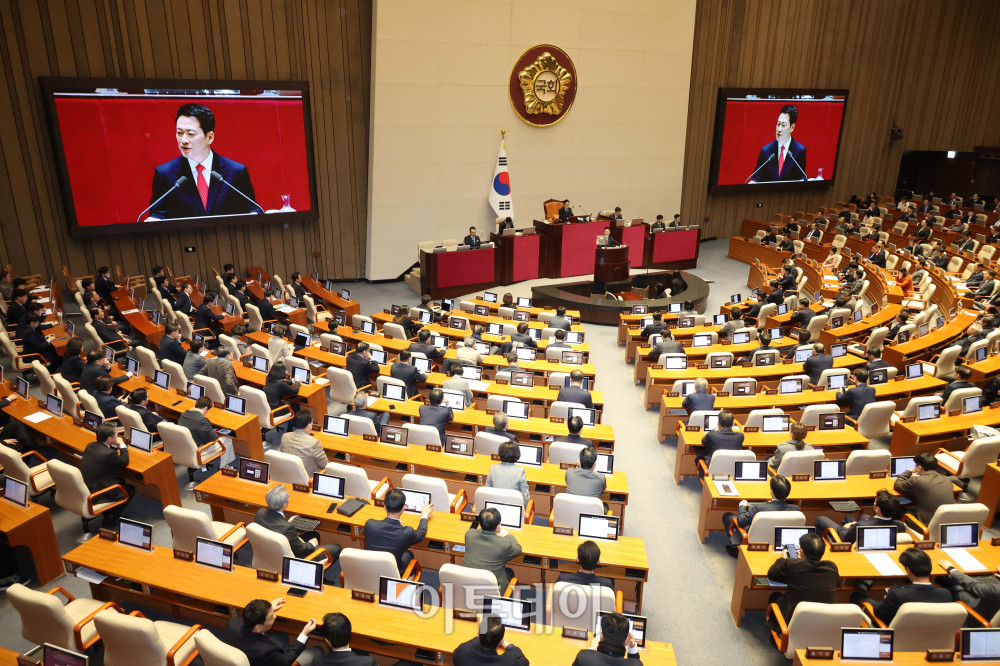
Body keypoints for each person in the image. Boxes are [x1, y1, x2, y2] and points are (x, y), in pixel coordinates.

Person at [144, 103, 259, 221]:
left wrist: (254, 215)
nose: (183, 140)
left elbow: (253, 209)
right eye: (179, 133)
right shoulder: (165, 174)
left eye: (190, 134)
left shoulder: (235, 172)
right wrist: (153, 219)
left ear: (209, 137)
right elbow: (158, 213)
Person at [254, 485, 341, 573]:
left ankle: (316, 569)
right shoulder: (287, 528)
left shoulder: (260, 512)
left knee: (315, 534)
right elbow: (300, 551)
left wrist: (286, 522)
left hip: (271, 551)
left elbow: (273, 526)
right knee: (337, 547)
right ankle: (312, 571)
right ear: (284, 504)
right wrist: (312, 544)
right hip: (293, 557)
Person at [853, 548, 951, 625]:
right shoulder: (946, 594)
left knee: (856, 596)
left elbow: (878, 613)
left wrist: (887, 598)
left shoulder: (898, 595)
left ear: (908, 570)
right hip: (932, 638)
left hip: (893, 631)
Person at [765, 533, 839, 632]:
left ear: (802, 551)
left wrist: (783, 559)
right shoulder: (832, 567)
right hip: (822, 621)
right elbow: (837, 583)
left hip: (792, 621)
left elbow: (772, 574)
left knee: (775, 596)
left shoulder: (792, 564)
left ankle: (779, 633)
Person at [224, 597, 323, 666]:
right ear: (258, 627)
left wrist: (267, 609)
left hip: (251, 653)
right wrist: (304, 634)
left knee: (282, 634)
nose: (275, 617)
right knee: (317, 651)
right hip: (273, 661)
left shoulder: (233, 623)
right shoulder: (265, 651)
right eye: (271, 616)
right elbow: (286, 662)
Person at [723, 475, 797, 556]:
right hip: (779, 540)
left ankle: (737, 549)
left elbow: (741, 521)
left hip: (756, 537)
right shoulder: (796, 509)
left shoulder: (759, 508)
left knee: (728, 516)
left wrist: (742, 505)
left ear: (771, 491)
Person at [363, 487, 432, 571]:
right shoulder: (407, 532)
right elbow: (421, 534)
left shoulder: (370, 524)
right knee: (409, 554)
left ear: (384, 506)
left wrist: (394, 523)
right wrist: (424, 515)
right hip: (394, 574)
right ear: (404, 508)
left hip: (371, 569)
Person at [80, 423, 134, 526]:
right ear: (109, 438)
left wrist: (114, 445)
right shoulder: (108, 454)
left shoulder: (90, 445)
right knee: (130, 489)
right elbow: (124, 461)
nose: (118, 437)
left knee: (122, 481)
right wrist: (122, 445)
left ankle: (110, 513)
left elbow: (106, 452)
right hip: (98, 492)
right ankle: (111, 516)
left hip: (88, 486)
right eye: (116, 435)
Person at [464, 507, 522, 592]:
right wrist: (506, 535)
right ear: (498, 526)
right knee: (509, 572)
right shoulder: (504, 544)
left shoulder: (469, 535)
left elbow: (477, 531)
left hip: (469, 586)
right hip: (492, 591)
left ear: (480, 523)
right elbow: (518, 549)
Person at [815, 489, 905, 542]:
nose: (873, 503)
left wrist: (846, 528)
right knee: (862, 516)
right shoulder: (900, 525)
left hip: (848, 540)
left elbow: (845, 538)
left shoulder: (862, 526)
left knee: (821, 519)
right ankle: (850, 521)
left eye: (875, 502)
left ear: (878, 509)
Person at [894, 452, 957, 524]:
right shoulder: (947, 479)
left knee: (896, 508)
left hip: (926, 527)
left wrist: (909, 471)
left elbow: (897, 485)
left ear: (919, 467)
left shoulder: (918, 481)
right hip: (946, 523)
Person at [749, 104, 807, 183]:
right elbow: (756, 178)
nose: (779, 129)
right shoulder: (766, 151)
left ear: (792, 127)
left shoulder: (799, 150)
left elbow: (802, 178)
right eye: (778, 124)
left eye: (783, 125)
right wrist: (753, 182)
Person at [938, 558, 1000, 622]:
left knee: (955, 583)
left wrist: (951, 569)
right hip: (992, 604)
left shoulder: (997, 590)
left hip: (979, 612)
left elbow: (974, 586)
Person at [453, 615, 529, 666]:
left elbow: (468, 645)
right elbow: (525, 662)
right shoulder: (509, 662)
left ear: (478, 634)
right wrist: (506, 644)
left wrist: (481, 637)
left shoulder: (461, 653)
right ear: (500, 640)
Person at [571, 611, 643, 664]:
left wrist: (591, 650)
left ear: (601, 636)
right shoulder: (636, 664)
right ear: (626, 641)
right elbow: (635, 663)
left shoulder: (584, 658)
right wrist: (632, 649)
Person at [279, 412, 327, 477]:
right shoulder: (314, 443)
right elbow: (324, 464)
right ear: (308, 425)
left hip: (290, 473)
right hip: (309, 476)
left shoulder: (285, 437)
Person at [484, 441, 529, 506]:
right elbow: (525, 497)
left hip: (494, 507)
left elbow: (487, 491)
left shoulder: (493, 468)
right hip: (513, 508)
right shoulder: (520, 471)